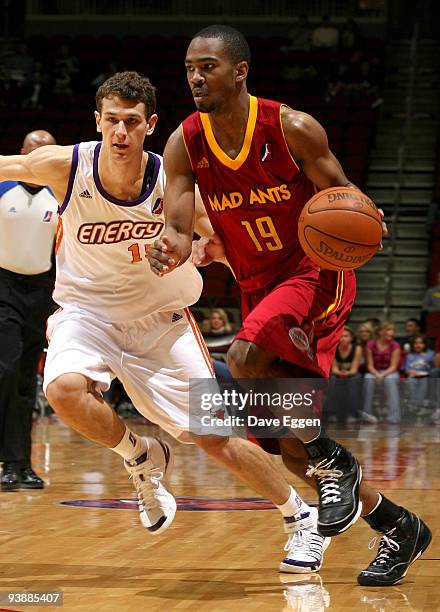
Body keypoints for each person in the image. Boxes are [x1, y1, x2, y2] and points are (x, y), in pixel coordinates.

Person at [0, 71, 327, 575]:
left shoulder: (175, 185)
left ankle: (299, 516)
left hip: (160, 322)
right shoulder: (67, 167)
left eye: (132, 122)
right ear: (97, 121)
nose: (120, 133)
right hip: (88, 315)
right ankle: (141, 456)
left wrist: (208, 249)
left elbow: (222, 241)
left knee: (215, 438)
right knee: (64, 390)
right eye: (111, 121)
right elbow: (11, 163)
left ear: (150, 124)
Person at [148, 25, 431, 586]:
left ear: (240, 71)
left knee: (247, 358)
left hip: (314, 274)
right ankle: (400, 526)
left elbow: (344, 196)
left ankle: (337, 463)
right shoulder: (186, 141)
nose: (196, 77)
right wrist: (171, 245)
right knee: (292, 451)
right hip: (256, 284)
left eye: (207, 66)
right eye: (189, 68)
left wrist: (365, 223)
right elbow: (179, 226)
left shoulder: (292, 127)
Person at [0, 130, 58, 491]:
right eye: (34, 152)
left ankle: (20, 463)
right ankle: (9, 458)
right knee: (4, 369)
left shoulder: (61, 197)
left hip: (40, 292)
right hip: (2, 286)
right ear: (21, 154)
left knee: (25, 380)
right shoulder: (3, 186)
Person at [362, 320, 401, 424]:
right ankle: (367, 414)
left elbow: (393, 367)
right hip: (374, 371)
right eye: (388, 329)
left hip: (390, 372)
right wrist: (376, 374)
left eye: (393, 330)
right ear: (380, 332)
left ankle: (394, 417)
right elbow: (369, 365)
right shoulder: (371, 344)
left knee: (390, 379)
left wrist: (382, 375)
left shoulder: (395, 345)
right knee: (368, 378)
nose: (391, 332)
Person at [328, 326, 362, 425]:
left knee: (353, 381)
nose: (343, 338)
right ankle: (332, 414)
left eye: (346, 336)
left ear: (351, 338)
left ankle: (352, 414)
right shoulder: (333, 348)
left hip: (351, 374)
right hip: (337, 374)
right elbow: (334, 369)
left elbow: (354, 370)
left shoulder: (357, 348)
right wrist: (341, 373)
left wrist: (346, 373)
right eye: (341, 336)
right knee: (333, 380)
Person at [404, 334, 435, 406]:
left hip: (426, 376)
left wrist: (428, 372)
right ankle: (413, 403)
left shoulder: (430, 354)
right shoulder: (410, 356)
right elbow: (406, 370)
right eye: (416, 343)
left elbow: (434, 368)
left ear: (425, 344)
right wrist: (411, 372)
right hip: (413, 376)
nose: (418, 345)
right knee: (410, 381)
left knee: (424, 382)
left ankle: (419, 403)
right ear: (412, 345)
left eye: (421, 343)